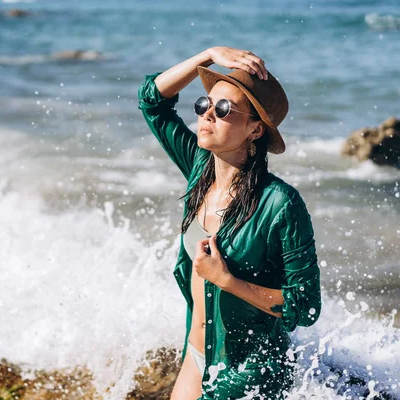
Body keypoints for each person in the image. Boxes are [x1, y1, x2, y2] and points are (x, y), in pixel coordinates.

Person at [137, 46, 322, 399]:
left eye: (223, 109)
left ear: (255, 129)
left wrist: (226, 280)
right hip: (196, 357)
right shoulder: (199, 170)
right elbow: (152, 101)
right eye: (204, 103)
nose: (207, 114)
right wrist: (205, 56)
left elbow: (306, 305)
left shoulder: (280, 204)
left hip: (248, 374)